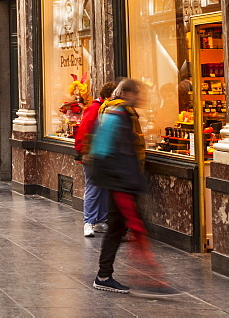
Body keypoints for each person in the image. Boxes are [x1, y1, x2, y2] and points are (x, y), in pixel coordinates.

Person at [89, 79, 175, 296]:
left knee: (117, 230)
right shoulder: (119, 115)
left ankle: (104, 276)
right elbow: (104, 150)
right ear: (128, 94)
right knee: (136, 227)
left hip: (120, 181)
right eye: (138, 94)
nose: (141, 98)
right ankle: (152, 282)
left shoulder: (120, 113)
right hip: (120, 182)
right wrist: (124, 179)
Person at [76, 81, 114, 238]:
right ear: (107, 97)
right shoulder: (95, 109)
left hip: (104, 154)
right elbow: (83, 130)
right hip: (92, 155)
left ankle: (99, 220)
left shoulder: (106, 109)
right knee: (93, 187)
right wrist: (82, 151)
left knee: (103, 187)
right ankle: (89, 222)